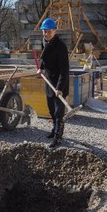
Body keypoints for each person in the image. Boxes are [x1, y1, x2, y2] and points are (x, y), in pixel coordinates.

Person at [37, 18, 70, 147]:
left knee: (58, 112)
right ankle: (54, 129)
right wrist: (41, 68)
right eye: (44, 31)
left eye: (49, 31)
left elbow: (65, 70)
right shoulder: (45, 42)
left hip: (59, 84)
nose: (46, 34)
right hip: (49, 81)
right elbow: (44, 57)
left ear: (54, 31)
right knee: (51, 109)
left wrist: (59, 88)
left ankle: (58, 137)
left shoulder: (60, 46)